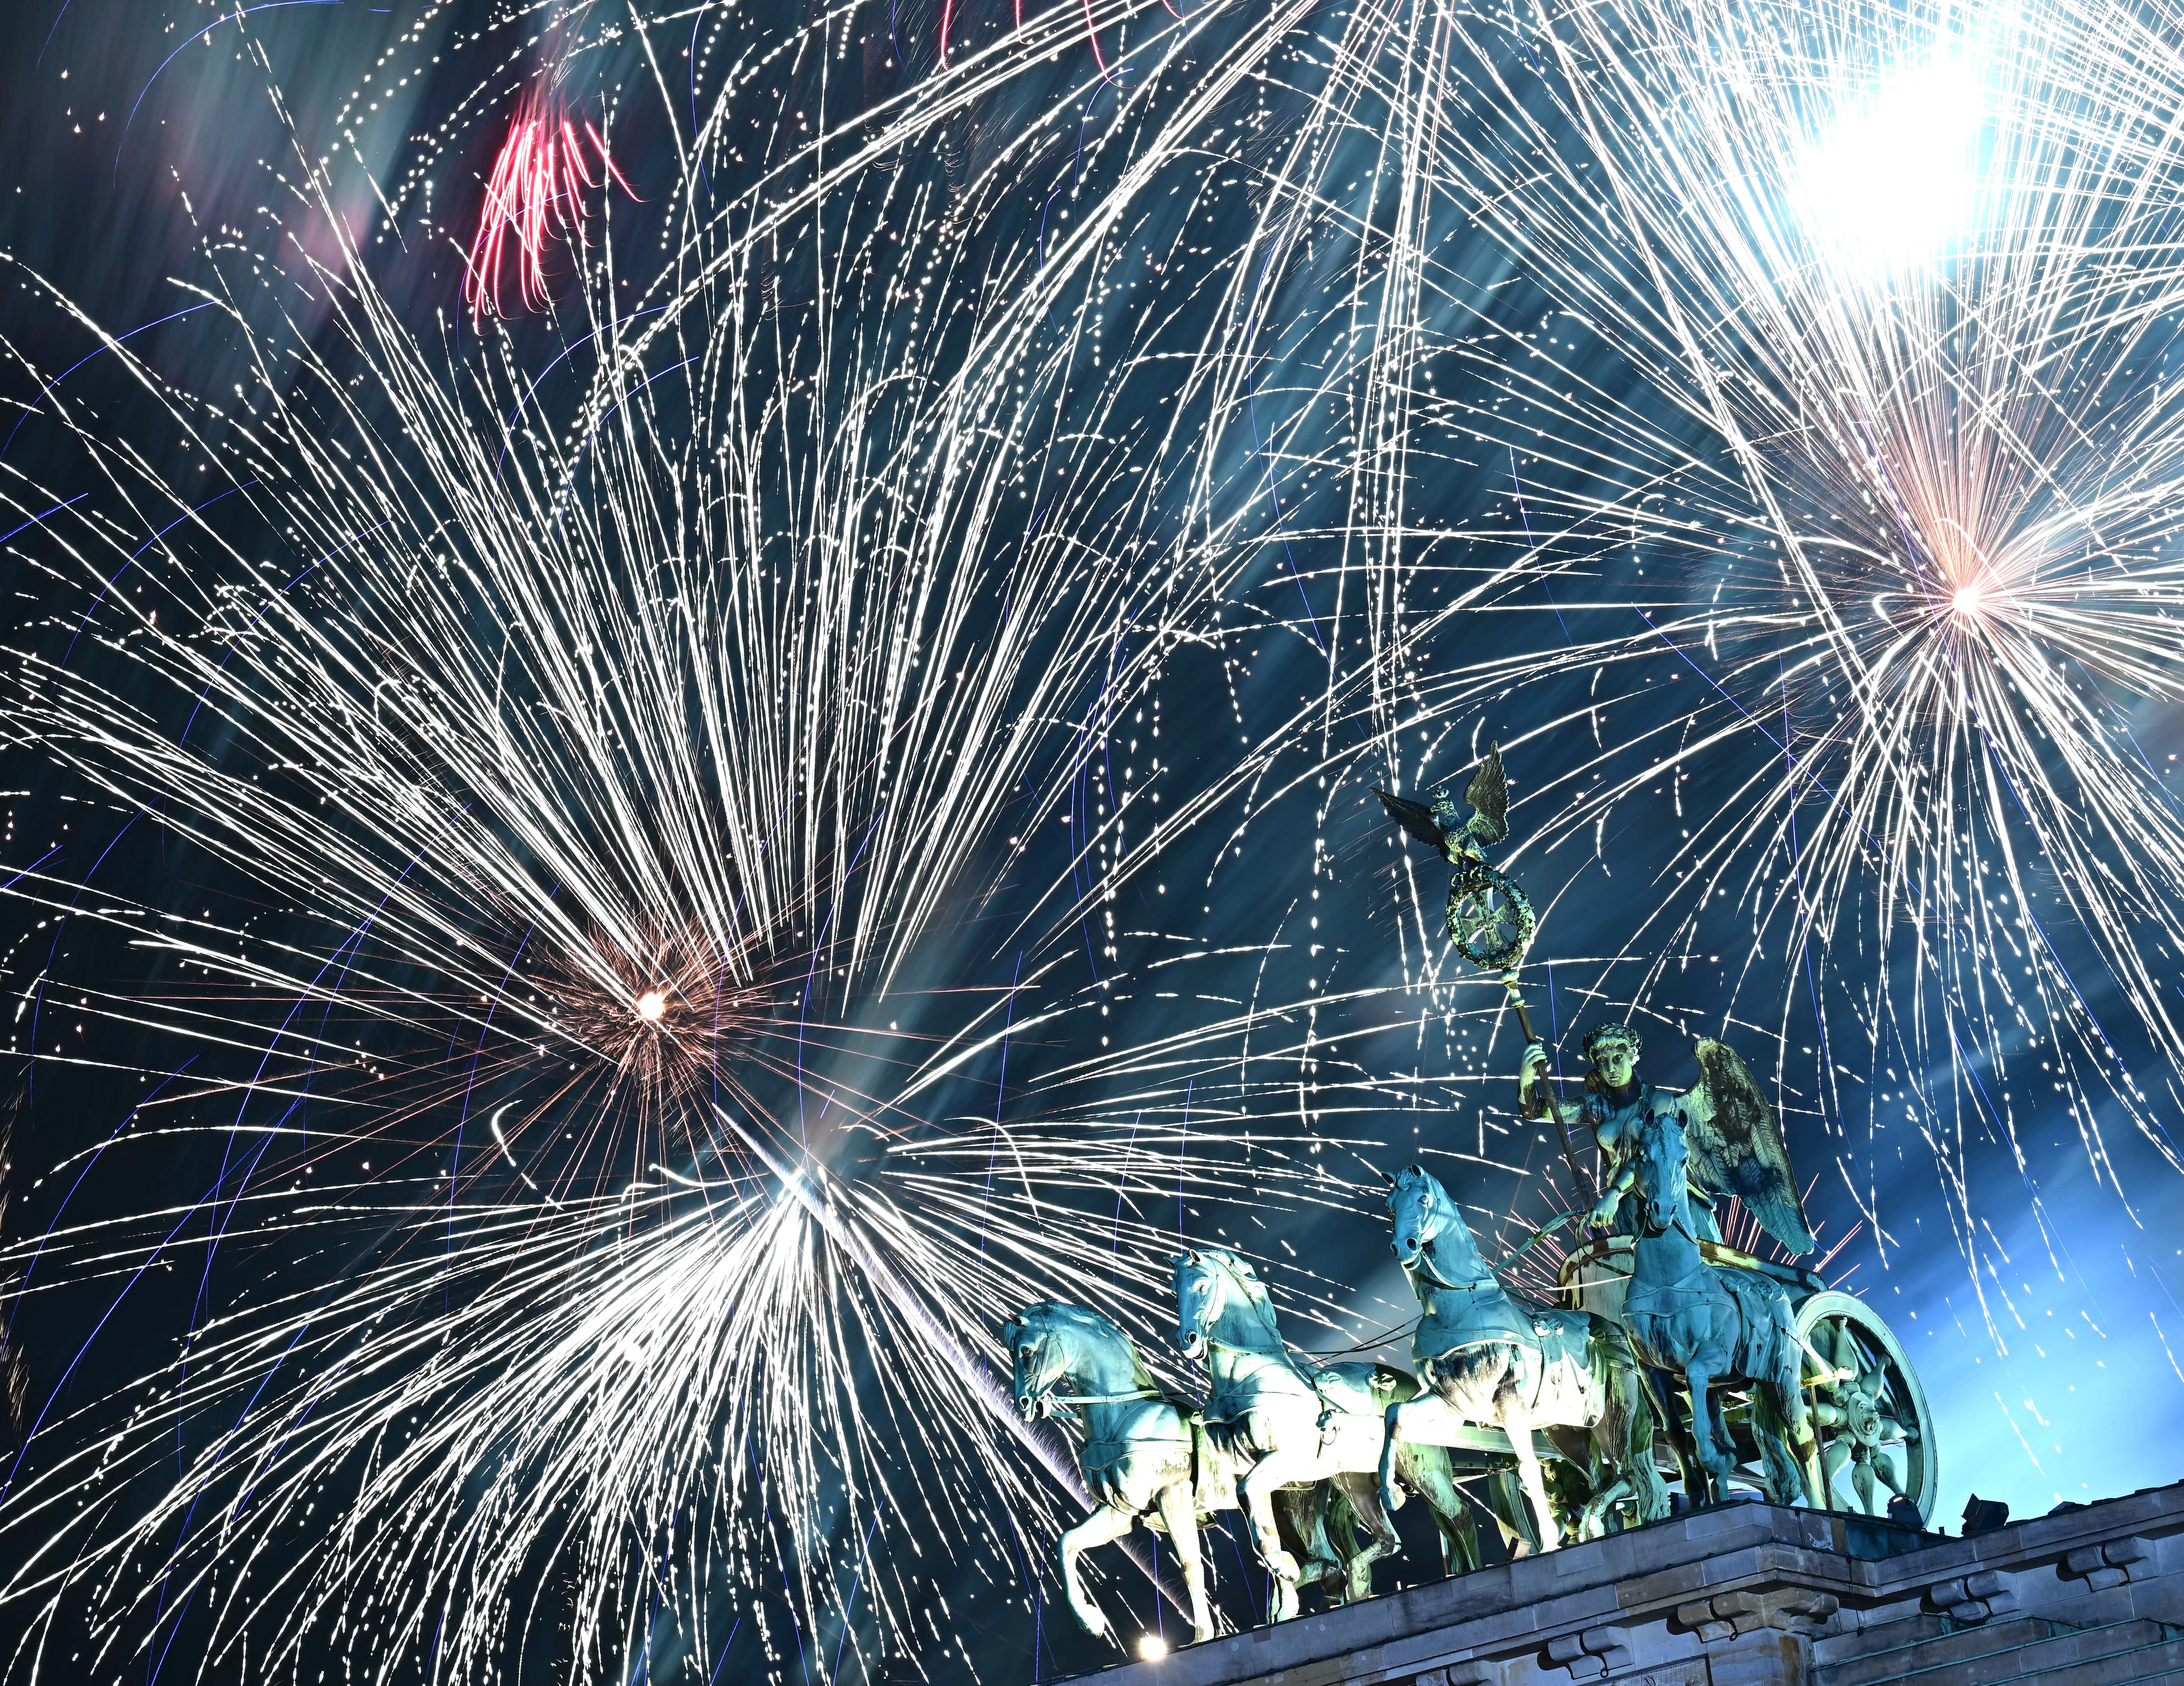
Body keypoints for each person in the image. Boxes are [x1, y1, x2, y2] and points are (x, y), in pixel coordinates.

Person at [1517, 1023, 1723, 1241]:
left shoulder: (1659, 1102)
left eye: (1617, 1058)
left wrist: (1613, 1195)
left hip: (1674, 1203)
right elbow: (1537, 1111)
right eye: (1602, 1061)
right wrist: (1526, 1076)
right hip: (1629, 1207)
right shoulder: (1599, 1107)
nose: (1610, 1069)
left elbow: (1648, 1155)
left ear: (1632, 1056)